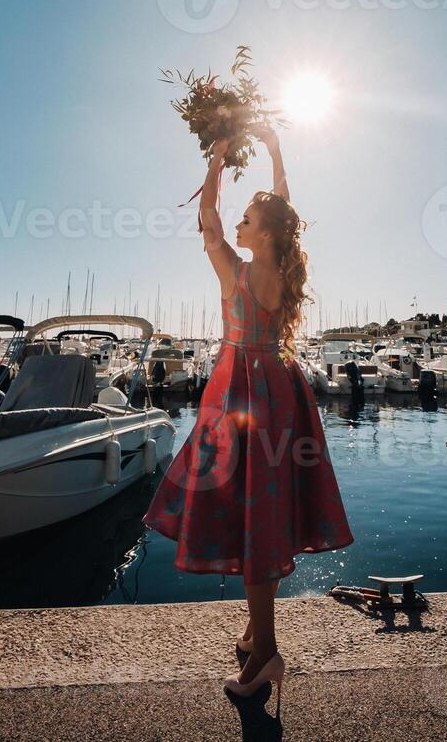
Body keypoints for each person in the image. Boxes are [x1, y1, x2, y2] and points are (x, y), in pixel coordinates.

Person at [143, 125, 353, 716]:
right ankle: (257, 638)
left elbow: (206, 216)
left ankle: (267, 657)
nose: (236, 224)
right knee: (264, 514)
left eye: (247, 220)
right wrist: (275, 153)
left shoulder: (237, 272)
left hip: (240, 395)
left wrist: (216, 159)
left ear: (262, 232)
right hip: (281, 390)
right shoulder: (284, 270)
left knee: (249, 516)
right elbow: (283, 209)